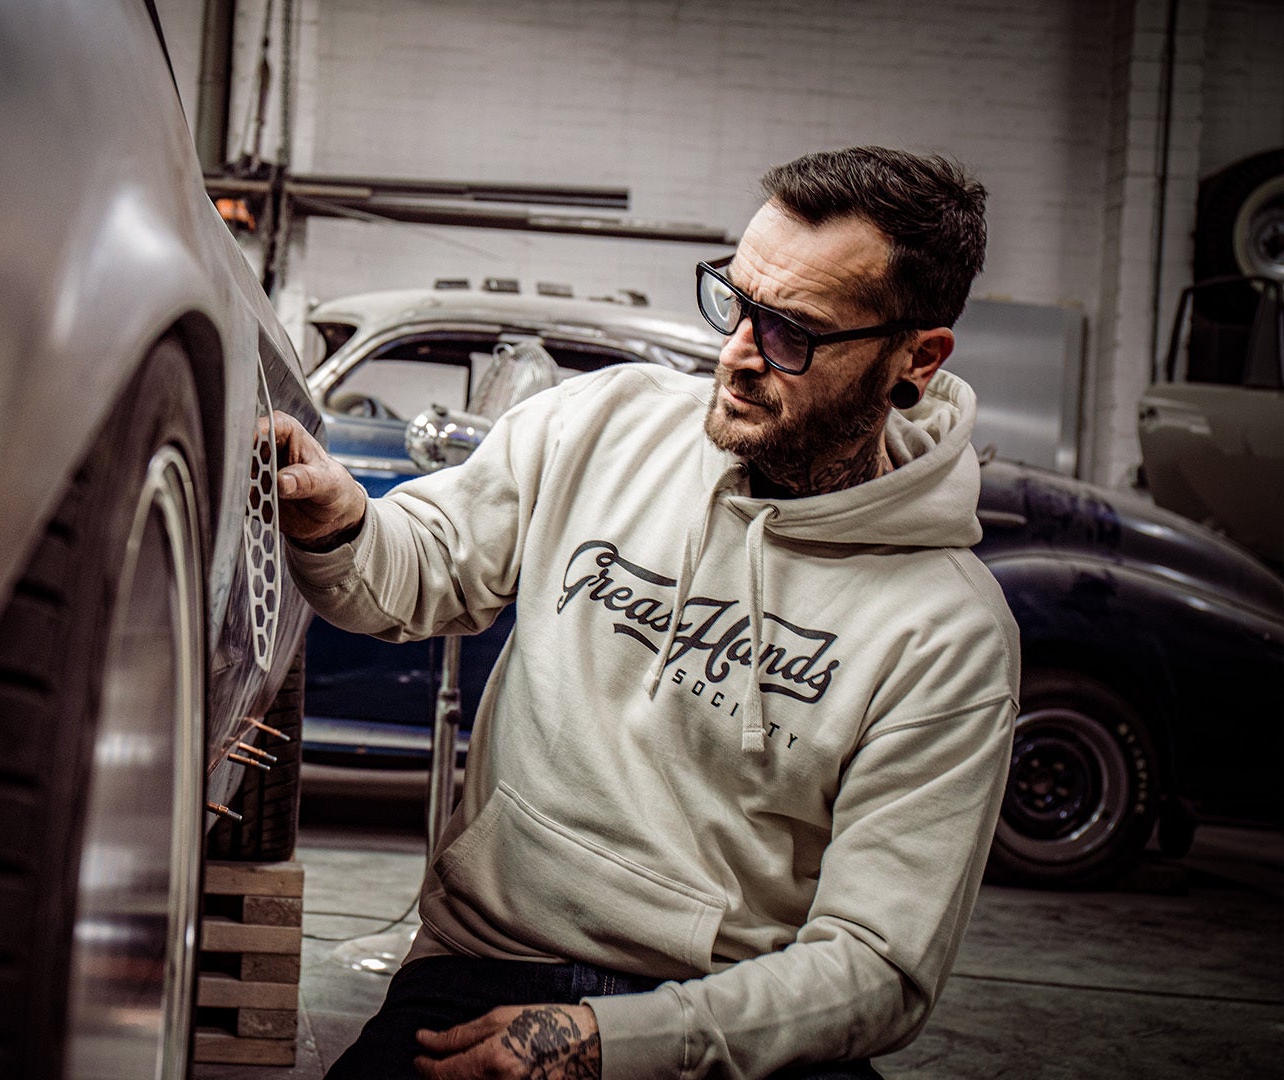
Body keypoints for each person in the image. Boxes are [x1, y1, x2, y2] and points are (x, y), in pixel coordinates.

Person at [271, 146, 1018, 1080]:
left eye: (793, 332)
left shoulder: (949, 634)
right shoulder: (601, 425)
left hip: (738, 1019)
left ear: (916, 358)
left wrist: (610, 1046)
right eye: (735, 301)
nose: (738, 356)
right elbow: (414, 576)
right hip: (488, 967)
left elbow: (877, 969)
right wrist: (341, 520)